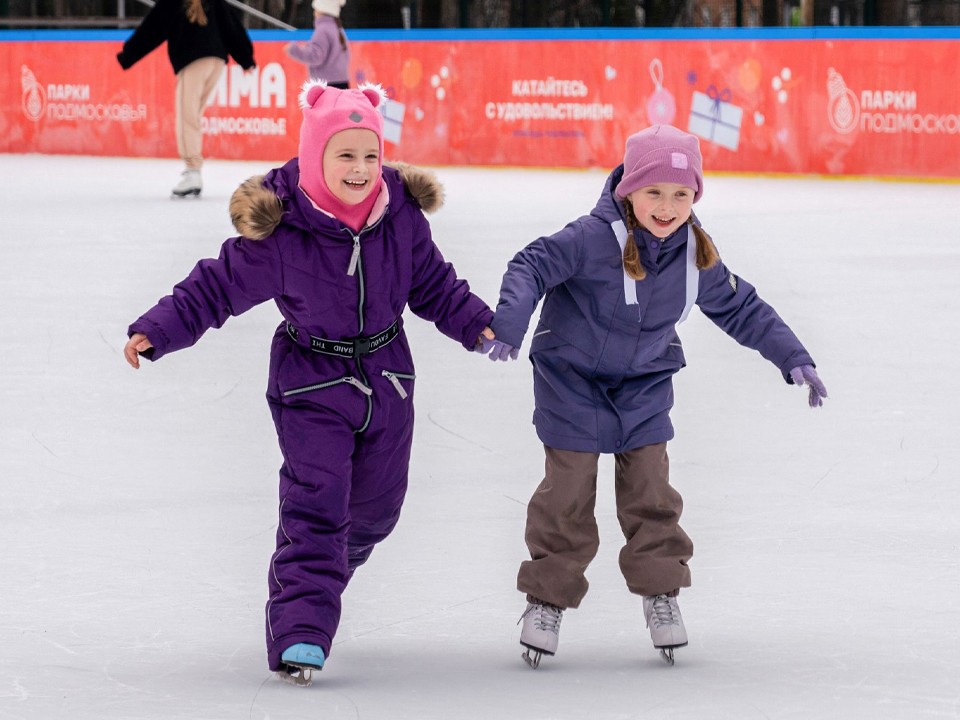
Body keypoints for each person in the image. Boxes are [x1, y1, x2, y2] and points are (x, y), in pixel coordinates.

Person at [123, 80, 499, 685]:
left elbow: (432, 283)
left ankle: (332, 562)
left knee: (377, 510)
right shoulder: (284, 227)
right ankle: (300, 631)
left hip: (388, 376)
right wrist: (158, 330)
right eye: (345, 155)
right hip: (310, 384)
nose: (360, 168)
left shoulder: (398, 214)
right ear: (315, 155)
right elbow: (214, 287)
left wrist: (478, 323)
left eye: (371, 155)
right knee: (317, 507)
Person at [486, 124, 828, 669]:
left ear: (695, 197)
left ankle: (661, 593)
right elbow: (532, 263)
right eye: (654, 192)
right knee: (568, 488)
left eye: (681, 194)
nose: (667, 206)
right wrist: (509, 323)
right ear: (629, 191)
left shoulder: (695, 254)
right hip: (569, 377)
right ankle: (545, 602)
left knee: (650, 485)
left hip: (643, 381)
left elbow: (743, 309)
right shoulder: (591, 237)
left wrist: (793, 357)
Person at [117, 0, 256, 198]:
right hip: (215, 62)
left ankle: (193, 171)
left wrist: (128, 55)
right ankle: (193, 170)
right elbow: (232, 28)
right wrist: (246, 58)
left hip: (193, 61)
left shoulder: (174, 2)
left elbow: (152, 30)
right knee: (192, 117)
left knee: (186, 118)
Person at [284, 0, 350, 88]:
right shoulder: (338, 29)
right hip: (342, 82)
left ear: (320, 11)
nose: (314, 13)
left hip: (327, 85)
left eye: (315, 10)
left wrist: (294, 50)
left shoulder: (322, 30)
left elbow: (315, 57)